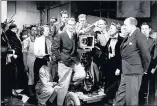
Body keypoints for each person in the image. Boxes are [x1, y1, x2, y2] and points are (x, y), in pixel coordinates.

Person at [114, 17, 151, 106]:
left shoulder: (139, 36)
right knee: (120, 96)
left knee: (131, 99)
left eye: (126, 25)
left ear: (132, 25)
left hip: (134, 72)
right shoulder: (129, 36)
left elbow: (146, 55)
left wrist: (144, 70)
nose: (124, 27)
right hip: (126, 71)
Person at [51, 18, 86, 105]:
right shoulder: (60, 35)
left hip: (74, 60)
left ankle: (69, 83)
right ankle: (59, 104)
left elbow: (76, 46)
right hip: (64, 62)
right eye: (69, 25)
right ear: (66, 25)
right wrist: (60, 59)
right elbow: (54, 49)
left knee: (82, 74)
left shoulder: (74, 35)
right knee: (63, 87)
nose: (71, 27)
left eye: (73, 25)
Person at [102, 22, 123, 105]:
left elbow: (122, 56)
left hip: (116, 64)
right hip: (109, 63)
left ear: (117, 30)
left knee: (115, 83)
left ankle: (114, 100)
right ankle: (109, 99)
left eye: (111, 28)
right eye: (109, 28)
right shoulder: (110, 39)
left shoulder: (121, 40)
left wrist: (119, 68)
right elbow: (105, 50)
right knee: (109, 81)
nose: (109, 30)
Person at [6, 23, 29, 96]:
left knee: (17, 73)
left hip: (17, 56)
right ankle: (14, 89)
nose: (16, 30)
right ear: (12, 29)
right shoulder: (11, 35)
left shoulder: (13, 35)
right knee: (15, 74)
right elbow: (13, 45)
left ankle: (16, 89)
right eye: (15, 29)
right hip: (15, 57)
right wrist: (15, 53)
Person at [139, 22, 157, 105]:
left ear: (149, 30)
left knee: (150, 88)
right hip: (139, 68)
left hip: (150, 68)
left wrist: (153, 68)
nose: (144, 30)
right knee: (140, 88)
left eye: (146, 29)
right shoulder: (137, 41)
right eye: (142, 29)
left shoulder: (153, 41)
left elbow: (155, 56)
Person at [22, 25, 37, 96]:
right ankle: (30, 91)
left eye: (35, 30)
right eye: (33, 30)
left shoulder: (38, 40)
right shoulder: (26, 41)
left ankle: (36, 90)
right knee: (31, 76)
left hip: (37, 60)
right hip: (30, 60)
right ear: (30, 31)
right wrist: (25, 65)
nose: (34, 31)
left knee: (36, 76)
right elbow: (24, 54)